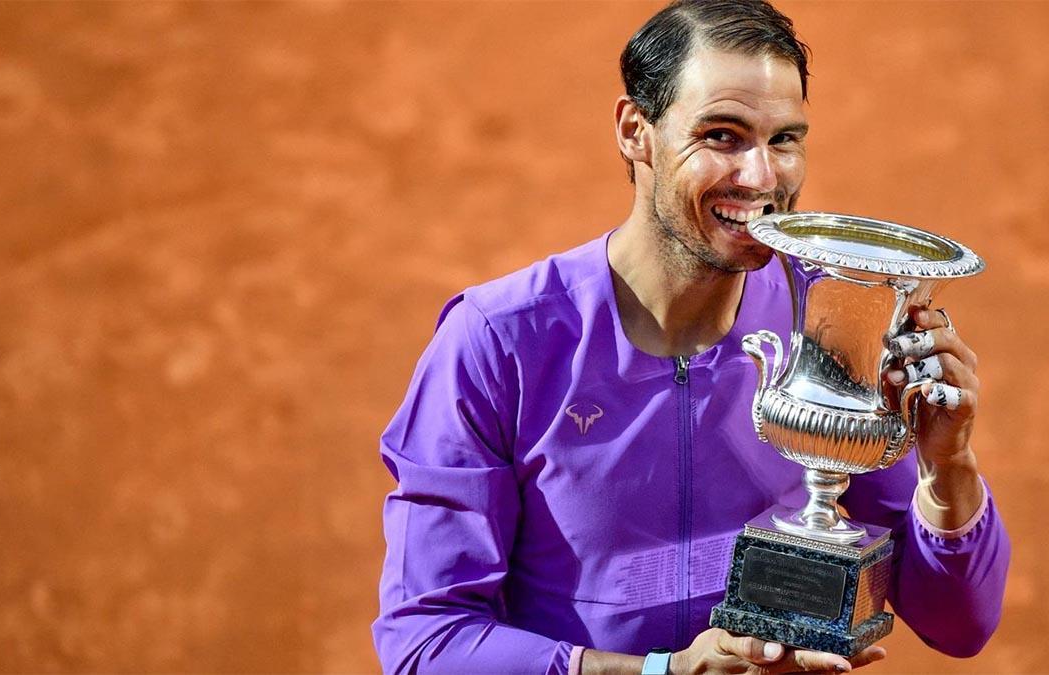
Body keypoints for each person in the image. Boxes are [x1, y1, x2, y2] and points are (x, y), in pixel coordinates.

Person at [372, 1, 1010, 673]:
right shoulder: (498, 343)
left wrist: (949, 468)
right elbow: (427, 640)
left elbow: (958, 622)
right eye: (723, 136)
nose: (762, 179)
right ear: (634, 131)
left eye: (785, 139)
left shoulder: (833, 314)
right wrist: (660, 672)